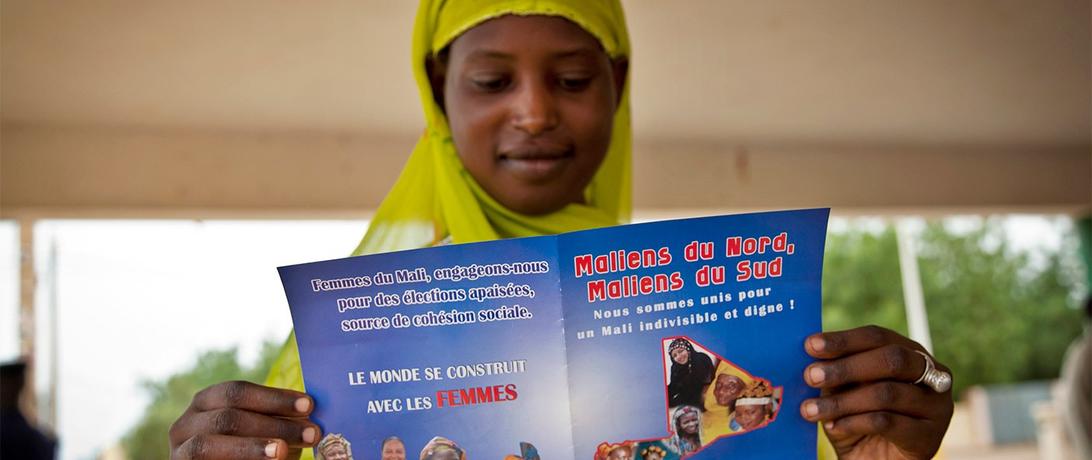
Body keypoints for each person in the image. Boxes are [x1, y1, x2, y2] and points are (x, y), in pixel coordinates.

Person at [168, 1, 955, 459]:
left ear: (620, 85)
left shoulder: (730, 331)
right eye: (492, 80)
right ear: (440, 93)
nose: (536, 112)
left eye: (574, 79)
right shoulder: (340, 349)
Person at [666, 338, 715, 409]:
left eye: (681, 351)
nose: (678, 356)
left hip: (706, 395)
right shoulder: (676, 368)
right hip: (688, 398)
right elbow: (673, 387)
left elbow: (701, 384)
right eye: (674, 356)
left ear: (688, 349)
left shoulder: (701, 358)